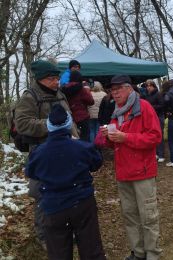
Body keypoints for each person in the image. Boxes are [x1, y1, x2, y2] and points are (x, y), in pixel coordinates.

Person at [25, 104, 106, 260]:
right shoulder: (82, 147)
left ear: (49, 126)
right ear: (69, 123)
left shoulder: (38, 153)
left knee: (58, 252)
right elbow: (96, 163)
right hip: (82, 202)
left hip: (53, 207)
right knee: (91, 249)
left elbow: (31, 172)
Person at [14, 60, 78, 249]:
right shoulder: (29, 96)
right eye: (52, 78)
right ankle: (44, 236)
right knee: (43, 194)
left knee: (67, 190)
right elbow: (22, 124)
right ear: (40, 79)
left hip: (66, 151)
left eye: (57, 77)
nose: (56, 81)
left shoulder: (59, 93)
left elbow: (69, 117)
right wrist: (50, 125)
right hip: (42, 153)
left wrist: (76, 137)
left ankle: (66, 229)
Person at [98, 75, 162, 260]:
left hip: (142, 172)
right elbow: (116, 143)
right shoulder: (116, 111)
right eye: (112, 89)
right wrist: (109, 137)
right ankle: (138, 252)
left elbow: (155, 137)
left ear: (129, 89)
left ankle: (153, 254)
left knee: (148, 216)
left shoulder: (144, 107)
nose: (114, 92)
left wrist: (125, 137)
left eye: (118, 89)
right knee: (130, 216)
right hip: (123, 172)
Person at [62, 71, 94, 142]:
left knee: (73, 138)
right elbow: (91, 101)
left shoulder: (63, 89)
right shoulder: (82, 89)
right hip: (82, 117)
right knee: (85, 138)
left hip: (69, 117)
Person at [144, 79, 166, 163]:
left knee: (159, 135)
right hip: (151, 118)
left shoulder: (158, 94)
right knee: (152, 136)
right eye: (147, 86)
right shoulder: (147, 95)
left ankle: (161, 155)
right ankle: (156, 153)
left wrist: (151, 107)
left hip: (159, 117)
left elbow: (162, 105)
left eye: (150, 85)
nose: (148, 87)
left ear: (154, 86)